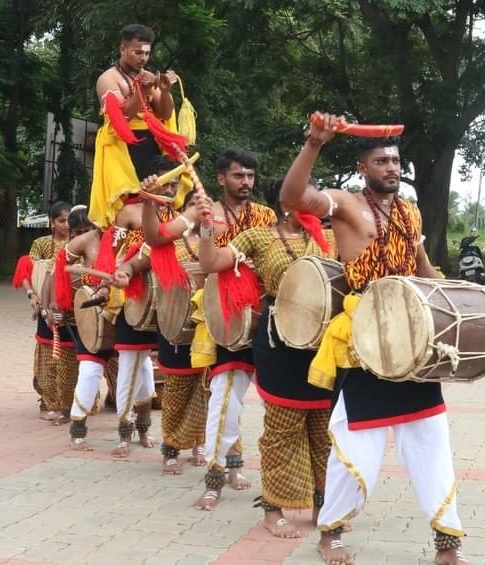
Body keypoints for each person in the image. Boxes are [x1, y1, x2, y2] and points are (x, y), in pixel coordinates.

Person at [281, 114, 467, 565]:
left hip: (411, 338)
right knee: (355, 443)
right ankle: (332, 531)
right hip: (363, 339)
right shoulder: (345, 204)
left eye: (396, 160)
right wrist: (314, 144)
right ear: (364, 167)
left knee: (431, 438)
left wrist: (454, 306)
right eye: (381, 160)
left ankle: (447, 541)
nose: (392, 167)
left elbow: (423, 269)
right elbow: (292, 197)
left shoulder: (408, 211)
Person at [199, 178, 337, 539]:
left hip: (323, 346)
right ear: (287, 202)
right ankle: (273, 509)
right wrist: (203, 228)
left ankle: (322, 502)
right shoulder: (258, 237)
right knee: (281, 429)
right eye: (308, 197)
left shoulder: (330, 237)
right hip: (278, 344)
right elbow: (212, 262)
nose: (316, 203)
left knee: (324, 429)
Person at [192, 147, 277, 511]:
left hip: (268, 315)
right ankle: (215, 477)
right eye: (238, 175)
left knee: (278, 404)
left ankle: (253, 472)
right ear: (220, 178)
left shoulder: (266, 216)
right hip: (226, 315)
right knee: (225, 399)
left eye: (250, 176)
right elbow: (184, 245)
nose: (245, 182)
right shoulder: (204, 212)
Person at [133, 156, 212, 475]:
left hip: (209, 325)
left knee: (204, 389)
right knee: (177, 389)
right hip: (173, 324)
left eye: (176, 184)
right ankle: (171, 447)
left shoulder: (213, 231)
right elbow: (142, 253)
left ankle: (199, 443)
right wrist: (149, 202)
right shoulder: (163, 235)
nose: (171, 189)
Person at [89, 24, 183, 228]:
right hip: (122, 146)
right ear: (122, 49)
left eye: (147, 53)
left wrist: (165, 91)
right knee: (128, 199)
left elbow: (165, 113)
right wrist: (143, 87)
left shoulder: (147, 75)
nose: (143, 58)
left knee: (160, 191)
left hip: (151, 144)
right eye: (137, 52)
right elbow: (120, 117)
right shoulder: (108, 79)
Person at [50, 210, 118, 450]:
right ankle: (77, 432)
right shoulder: (88, 240)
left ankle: (133, 431)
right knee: (89, 371)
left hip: (129, 315)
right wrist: (56, 302)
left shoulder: (136, 235)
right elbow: (58, 265)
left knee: (138, 375)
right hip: (95, 316)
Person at [18, 202, 76, 421]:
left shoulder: (77, 242)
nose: (66, 225)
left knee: (71, 355)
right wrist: (31, 295)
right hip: (45, 307)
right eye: (61, 220)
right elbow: (26, 271)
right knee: (48, 356)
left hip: (70, 308)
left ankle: (72, 402)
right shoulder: (41, 244)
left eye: (69, 220)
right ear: (52, 222)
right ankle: (48, 401)